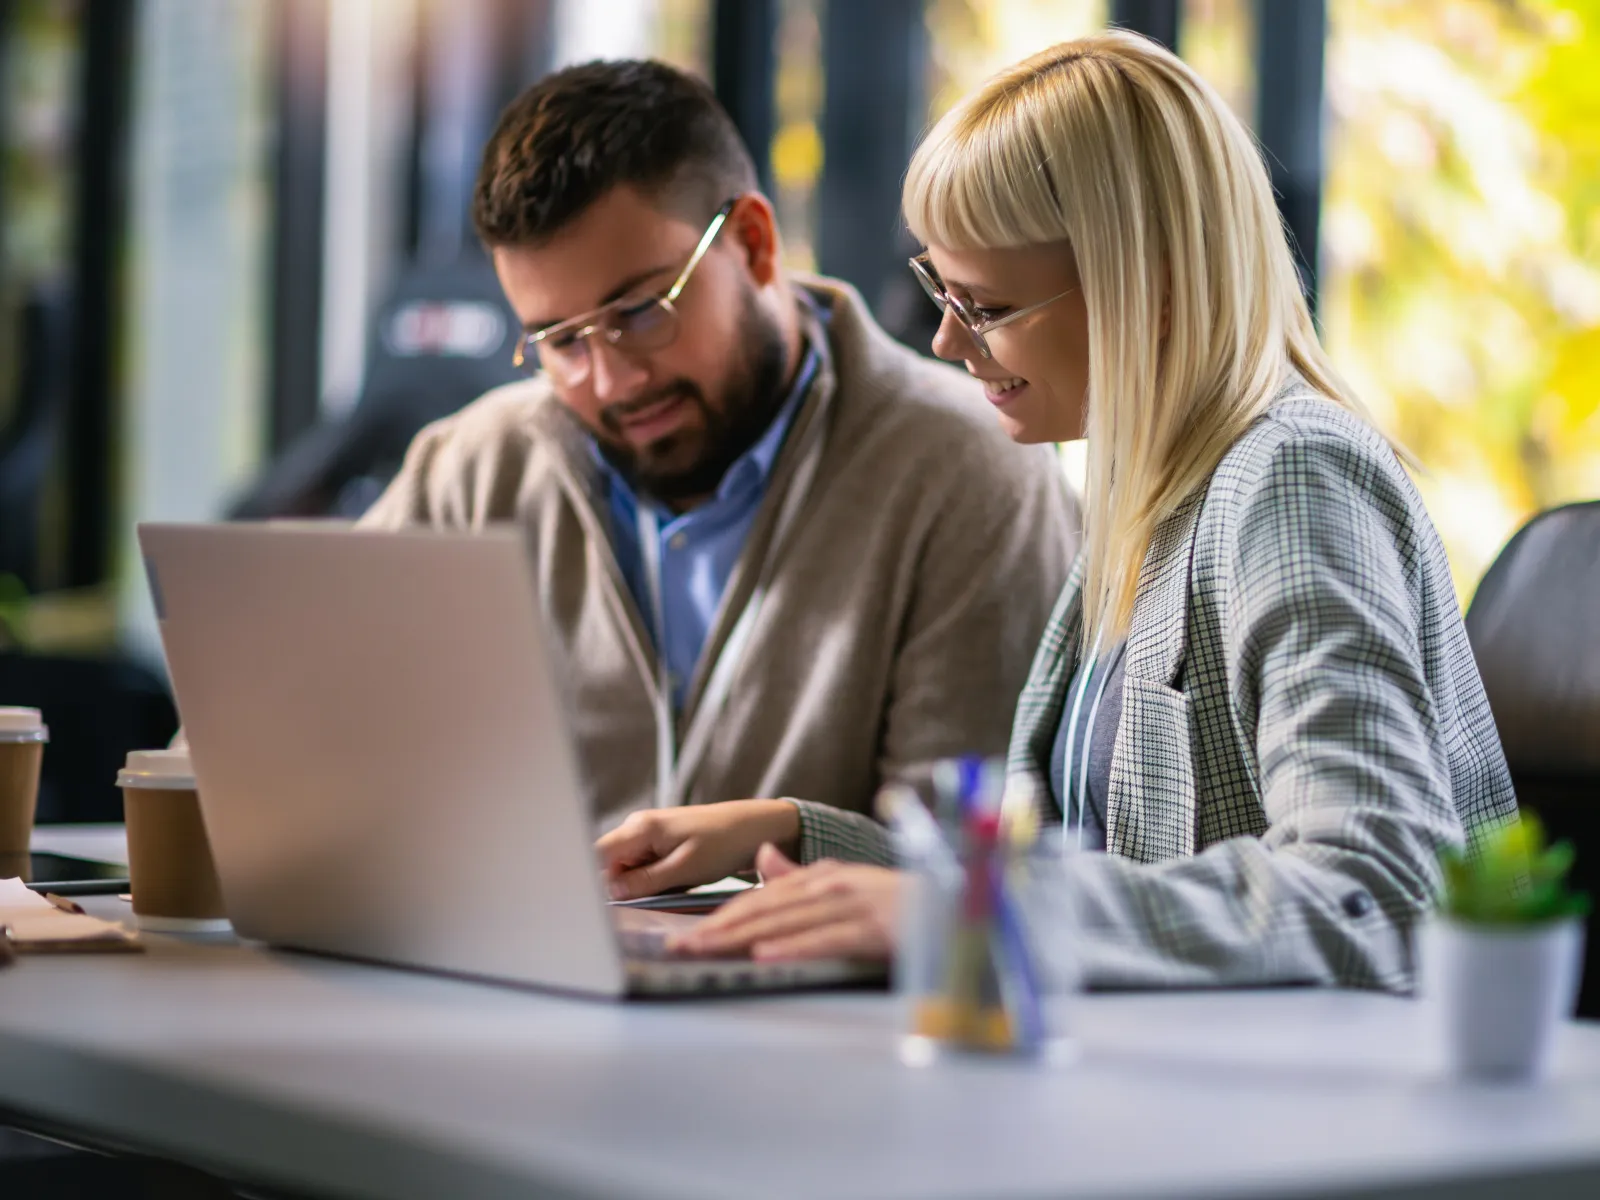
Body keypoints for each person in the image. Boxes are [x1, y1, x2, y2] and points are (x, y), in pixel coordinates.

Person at [662, 32, 1519, 993]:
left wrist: (969, 913)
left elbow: (1382, 887)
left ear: (1144, 291)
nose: (947, 339)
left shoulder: (1291, 477)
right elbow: (1087, 873)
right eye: (939, 289)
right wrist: (798, 837)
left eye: (983, 305)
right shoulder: (1142, 499)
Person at [359, 60, 1081, 881]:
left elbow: (967, 864)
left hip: (818, 1003)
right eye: (560, 340)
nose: (610, 380)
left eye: (638, 312)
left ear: (754, 243)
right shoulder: (471, 469)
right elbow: (284, 741)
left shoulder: (968, 474)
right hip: (503, 990)